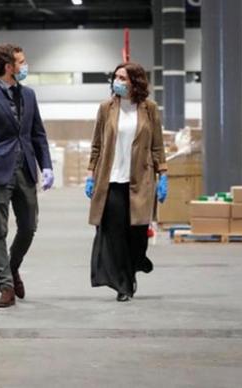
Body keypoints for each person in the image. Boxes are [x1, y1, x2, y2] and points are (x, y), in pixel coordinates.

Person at [0, 43, 54, 308]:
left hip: (26, 171)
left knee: (29, 227)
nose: (25, 66)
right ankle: (5, 285)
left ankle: (12, 266)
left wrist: (47, 165)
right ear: (9, 67)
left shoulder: (28, 95)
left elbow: (37, 134)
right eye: (22, 61)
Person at [86, 62, 168, 302]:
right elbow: (96, 145)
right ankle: (123, 284)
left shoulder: (149, 109)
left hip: (140, 180)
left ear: (135, 81)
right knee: (114, 234)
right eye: (116, 77)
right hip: (110, 180)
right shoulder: (106, 109)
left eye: (123, 77)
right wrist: (90, 175)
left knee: (138, 235)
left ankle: (134, 265)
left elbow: (158, 146)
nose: (117, 81)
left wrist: (163, 175)